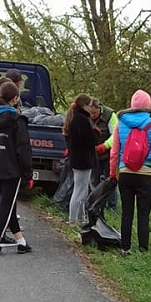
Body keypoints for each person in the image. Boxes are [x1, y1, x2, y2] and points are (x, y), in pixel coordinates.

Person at [109, 89, 151, 256]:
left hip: (125, 172)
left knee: (126, 212)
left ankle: (125, 248)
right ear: (148, 106)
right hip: (144, 174)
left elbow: (114, 152)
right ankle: (143, 249)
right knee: (143, 213)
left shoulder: (120, 123)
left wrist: (113, 174)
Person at [0, 81, 34, 256]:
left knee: (9, 205)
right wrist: (27, 173)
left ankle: (21, 241)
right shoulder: (17, 121)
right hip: (12, 170)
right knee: (7, 204)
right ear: (15, 98)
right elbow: (23, 149)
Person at [63, 93, 99, 226]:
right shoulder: (82, 120)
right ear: (84, 106)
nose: (91, 108)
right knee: (80, 190)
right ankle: (73, 219)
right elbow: (89, 141)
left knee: (81, 190)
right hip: (83, 160)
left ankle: (80, 218)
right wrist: (95, 132)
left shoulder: (75, 119)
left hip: (76, 159)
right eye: (90, 105)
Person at [89, 98, 119, 212]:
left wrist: (105, 146)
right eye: (90, 113)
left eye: (94, 113)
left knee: (110, 181)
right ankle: (95, 206)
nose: (92, 116)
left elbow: (115, 135)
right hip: (93, 155)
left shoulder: (110, 115)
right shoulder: (87, 114)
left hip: (109, 155)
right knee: (94, 181)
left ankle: (112, 208)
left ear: (99, 108)